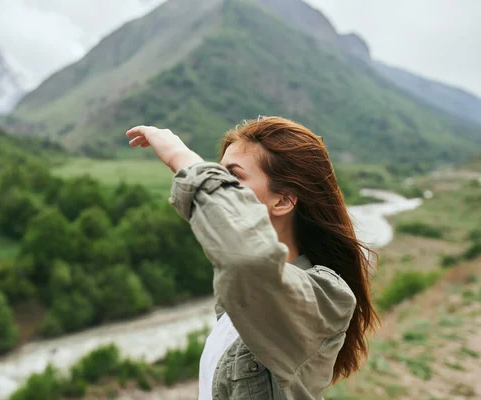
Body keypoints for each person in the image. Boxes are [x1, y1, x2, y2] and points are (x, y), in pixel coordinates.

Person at [126, 116, 378, 400]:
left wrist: (178, 156)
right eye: (219, 176)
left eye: (232, 178)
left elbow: (249, 258)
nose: (223, 188)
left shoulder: (325, 297)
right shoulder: (240, 295)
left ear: (282, 200)